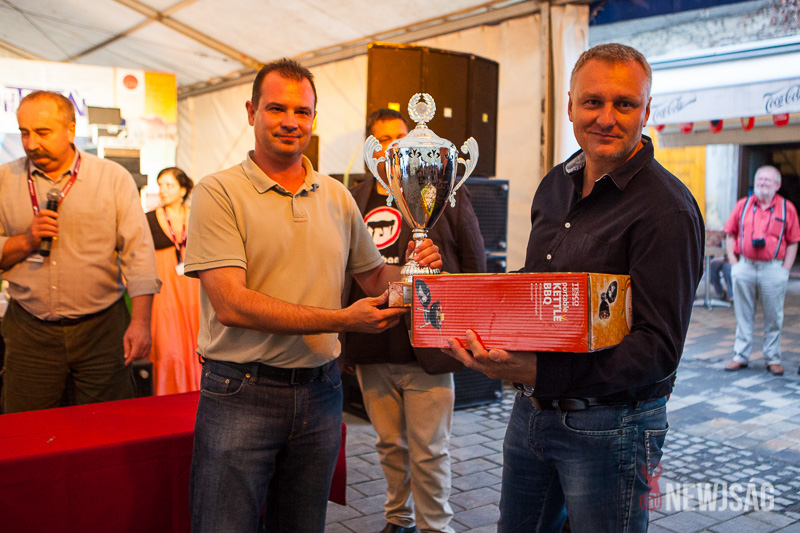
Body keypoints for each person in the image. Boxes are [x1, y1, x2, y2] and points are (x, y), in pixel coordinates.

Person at [444, 44, 704, 532]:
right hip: (530, 413)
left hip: (614, 427)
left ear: (646, 110)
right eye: (592, 102)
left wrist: (541, 371)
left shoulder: (667, 209)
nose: (606, 118)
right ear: (569, 106)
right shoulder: (556, 184)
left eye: (624, 104)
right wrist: (456, 294)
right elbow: (538, 287)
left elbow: (658, 349)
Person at [184, 59, 442, 533]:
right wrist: (342, 320)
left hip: (321, 391)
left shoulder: (337, 197)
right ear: (251, 112)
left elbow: (376, 280)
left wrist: (415, 271)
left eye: (302, 111)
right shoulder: (217, 192)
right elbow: (231, 304)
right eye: (276, 109)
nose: (290, 121)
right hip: (241, 392)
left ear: (314, 118)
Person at [341, 109, 487, 533]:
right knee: (389, 445)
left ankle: (435, 527)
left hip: (430, 348)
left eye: (401, 136)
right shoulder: (355, 198)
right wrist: (343, 341)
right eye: (385, 139)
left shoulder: (444, 190)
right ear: (373, 148)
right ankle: (398, 519)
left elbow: (475, 265)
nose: (396, 145)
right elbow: (342, 273)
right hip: (372, 346)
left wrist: (442, 276)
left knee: (430, 449)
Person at [0, 90, 160, 414]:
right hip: (29, 330)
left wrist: (141, 322)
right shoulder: (4, 180)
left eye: (42, 132)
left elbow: (139, 254)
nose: (31, 143)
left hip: (103, 329)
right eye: (24, 133)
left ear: (71, 130)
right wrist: (27, 241)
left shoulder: (112, 178)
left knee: (108, 426)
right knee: (27, 430)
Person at [723, 165, 799, 376]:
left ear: (777, 185)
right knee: (742, 314)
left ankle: (773, 358)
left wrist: (785, 270)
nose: (762, 183)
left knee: (774, 316)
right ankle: (740, 355)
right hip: (745, 266)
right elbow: (730, 234)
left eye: (767, 179)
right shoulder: (743, 205)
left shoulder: (787, 208)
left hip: (773, 268)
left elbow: (793, 241)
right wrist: (734, 264)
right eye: (759, 179)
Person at [146, 167, 201, 395]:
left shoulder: (198, 216)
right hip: (164, 292)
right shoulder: (148, 219)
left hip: (194, 290)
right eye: (160, 185)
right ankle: (167, 394)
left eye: (169, 185)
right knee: (168, 344)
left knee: (196, 341)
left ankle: (198, 391)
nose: (163, 190)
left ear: (183, 190)